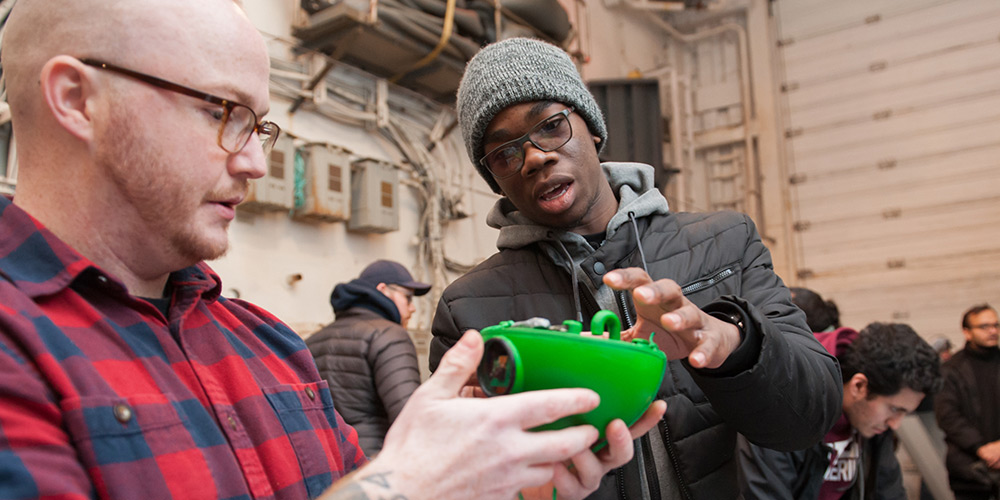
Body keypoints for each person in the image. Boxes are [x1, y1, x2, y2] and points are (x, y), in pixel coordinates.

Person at [0, 2, 666, 499]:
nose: (258, 162)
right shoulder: (17, 352)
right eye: (222, 112)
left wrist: (504, 483)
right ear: (77, 99)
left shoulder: (267, 345)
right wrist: (406, 484)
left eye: (259, 125)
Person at [429, 36, 843, 499]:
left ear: (593, 129)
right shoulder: (468, 310)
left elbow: (810, 419)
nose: (535, 157)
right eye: (504, 153)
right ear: (497, 182)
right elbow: (462, 476)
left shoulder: (724, 243)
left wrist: (731, 343)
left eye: (550, 125)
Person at [738, 322, 942, 499]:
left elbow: (887, 489)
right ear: (859, 386)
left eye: (905, 412)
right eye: (895, 409)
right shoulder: (783, 412)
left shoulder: (873, 424)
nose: (895, 423)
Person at [307, 260, 431, 456]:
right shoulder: (388, 334)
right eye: (407, 298)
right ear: (383, 290)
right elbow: (408, 415)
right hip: (377, 462)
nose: (412, 308)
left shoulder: (312, 342)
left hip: (329, 463)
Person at [935, 304, 1000, 500]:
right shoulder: (950, 369)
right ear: (967, 332)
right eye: (984, 326)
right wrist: (981, 448)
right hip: (968, 469)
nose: (993, 331)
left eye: (996, 325)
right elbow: (948, 416)